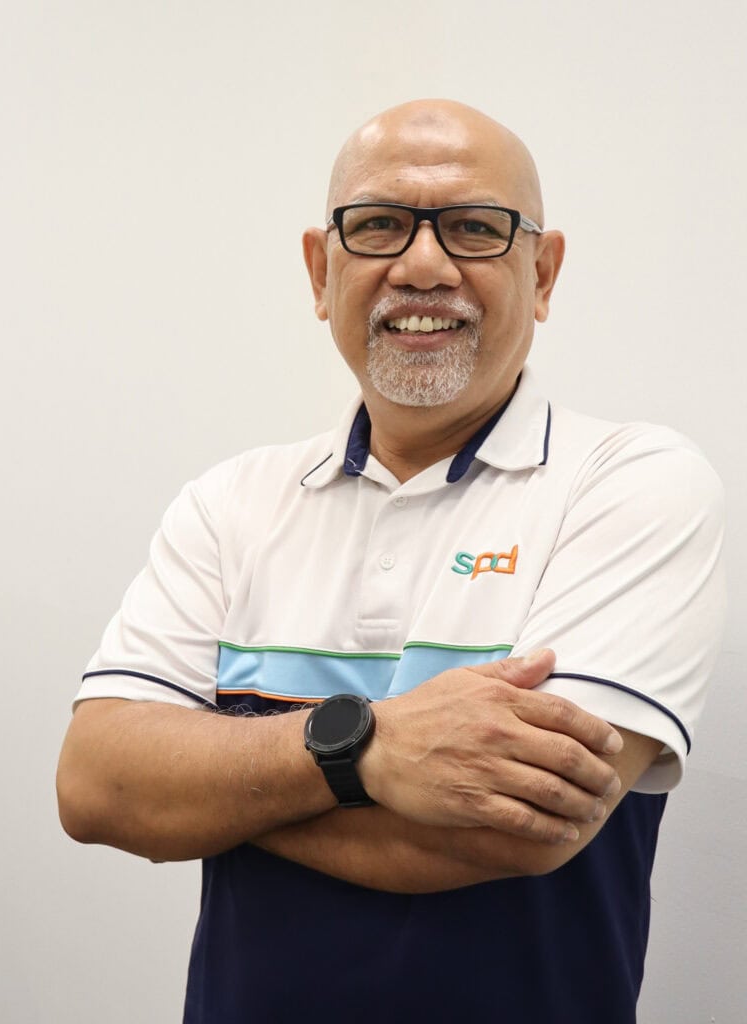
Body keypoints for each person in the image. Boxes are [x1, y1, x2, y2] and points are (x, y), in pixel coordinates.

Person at [57, 99, 725, 1023]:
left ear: (543, 270)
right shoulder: (232, 502)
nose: (421, 264)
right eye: (377, 226)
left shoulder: (631, 483)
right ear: (321, 271)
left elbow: (520, 833)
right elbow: (97, 788)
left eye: (474, 227)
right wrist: (369, 753)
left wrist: (225, 791)